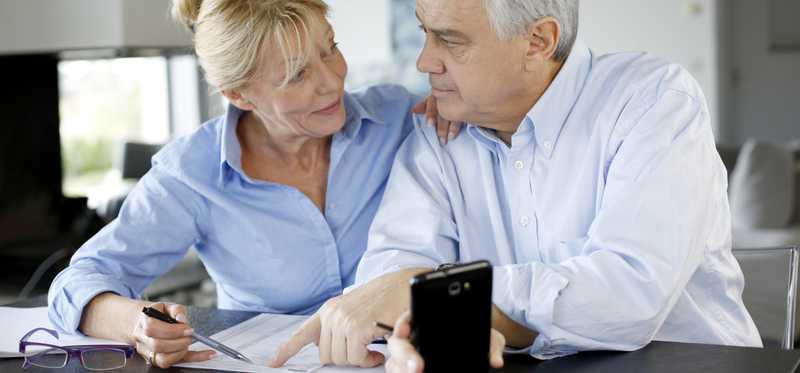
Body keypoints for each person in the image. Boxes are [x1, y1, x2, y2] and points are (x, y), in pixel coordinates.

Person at [271, 0, 763, 369]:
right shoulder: (438, 132)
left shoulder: (652, 101)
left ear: (538, 41)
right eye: (425, 33)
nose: (425, 62)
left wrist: (440, 296)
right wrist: (435, 306)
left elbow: (628, 297)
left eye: (451, 40)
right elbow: (391, 269)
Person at [46, 0, 460, 368]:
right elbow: (79, 281)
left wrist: (462, 107)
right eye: (297, 75)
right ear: (241, 95)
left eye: (329, 48)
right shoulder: (194, 173)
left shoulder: (396, 117)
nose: (331, 81)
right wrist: (137, 325)